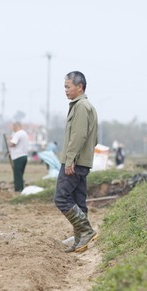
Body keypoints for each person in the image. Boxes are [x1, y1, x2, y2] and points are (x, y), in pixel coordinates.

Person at [54, 71, 99, 253]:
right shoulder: (87, 106)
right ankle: (80, 239)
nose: (65, 90)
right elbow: (93, 140)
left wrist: (70, 159)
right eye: (64, 86)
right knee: (78, 201)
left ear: (79, 87)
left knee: (61, 198)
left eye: (68, 86)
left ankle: (86, 231)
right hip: (83, 162)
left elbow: (79, 136)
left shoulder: (81, 106)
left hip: (74, 162)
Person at [7, 121, 29, 192]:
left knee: (17, 175)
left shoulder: (18, 134)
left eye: (13, 127)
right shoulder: (24, 133)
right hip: (24, 156)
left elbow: (13, 144)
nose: (12, 129)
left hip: (18, 157)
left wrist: (9, 141)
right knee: (20, 174)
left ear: (15, 126)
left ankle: (18, 190)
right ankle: (20, 188)